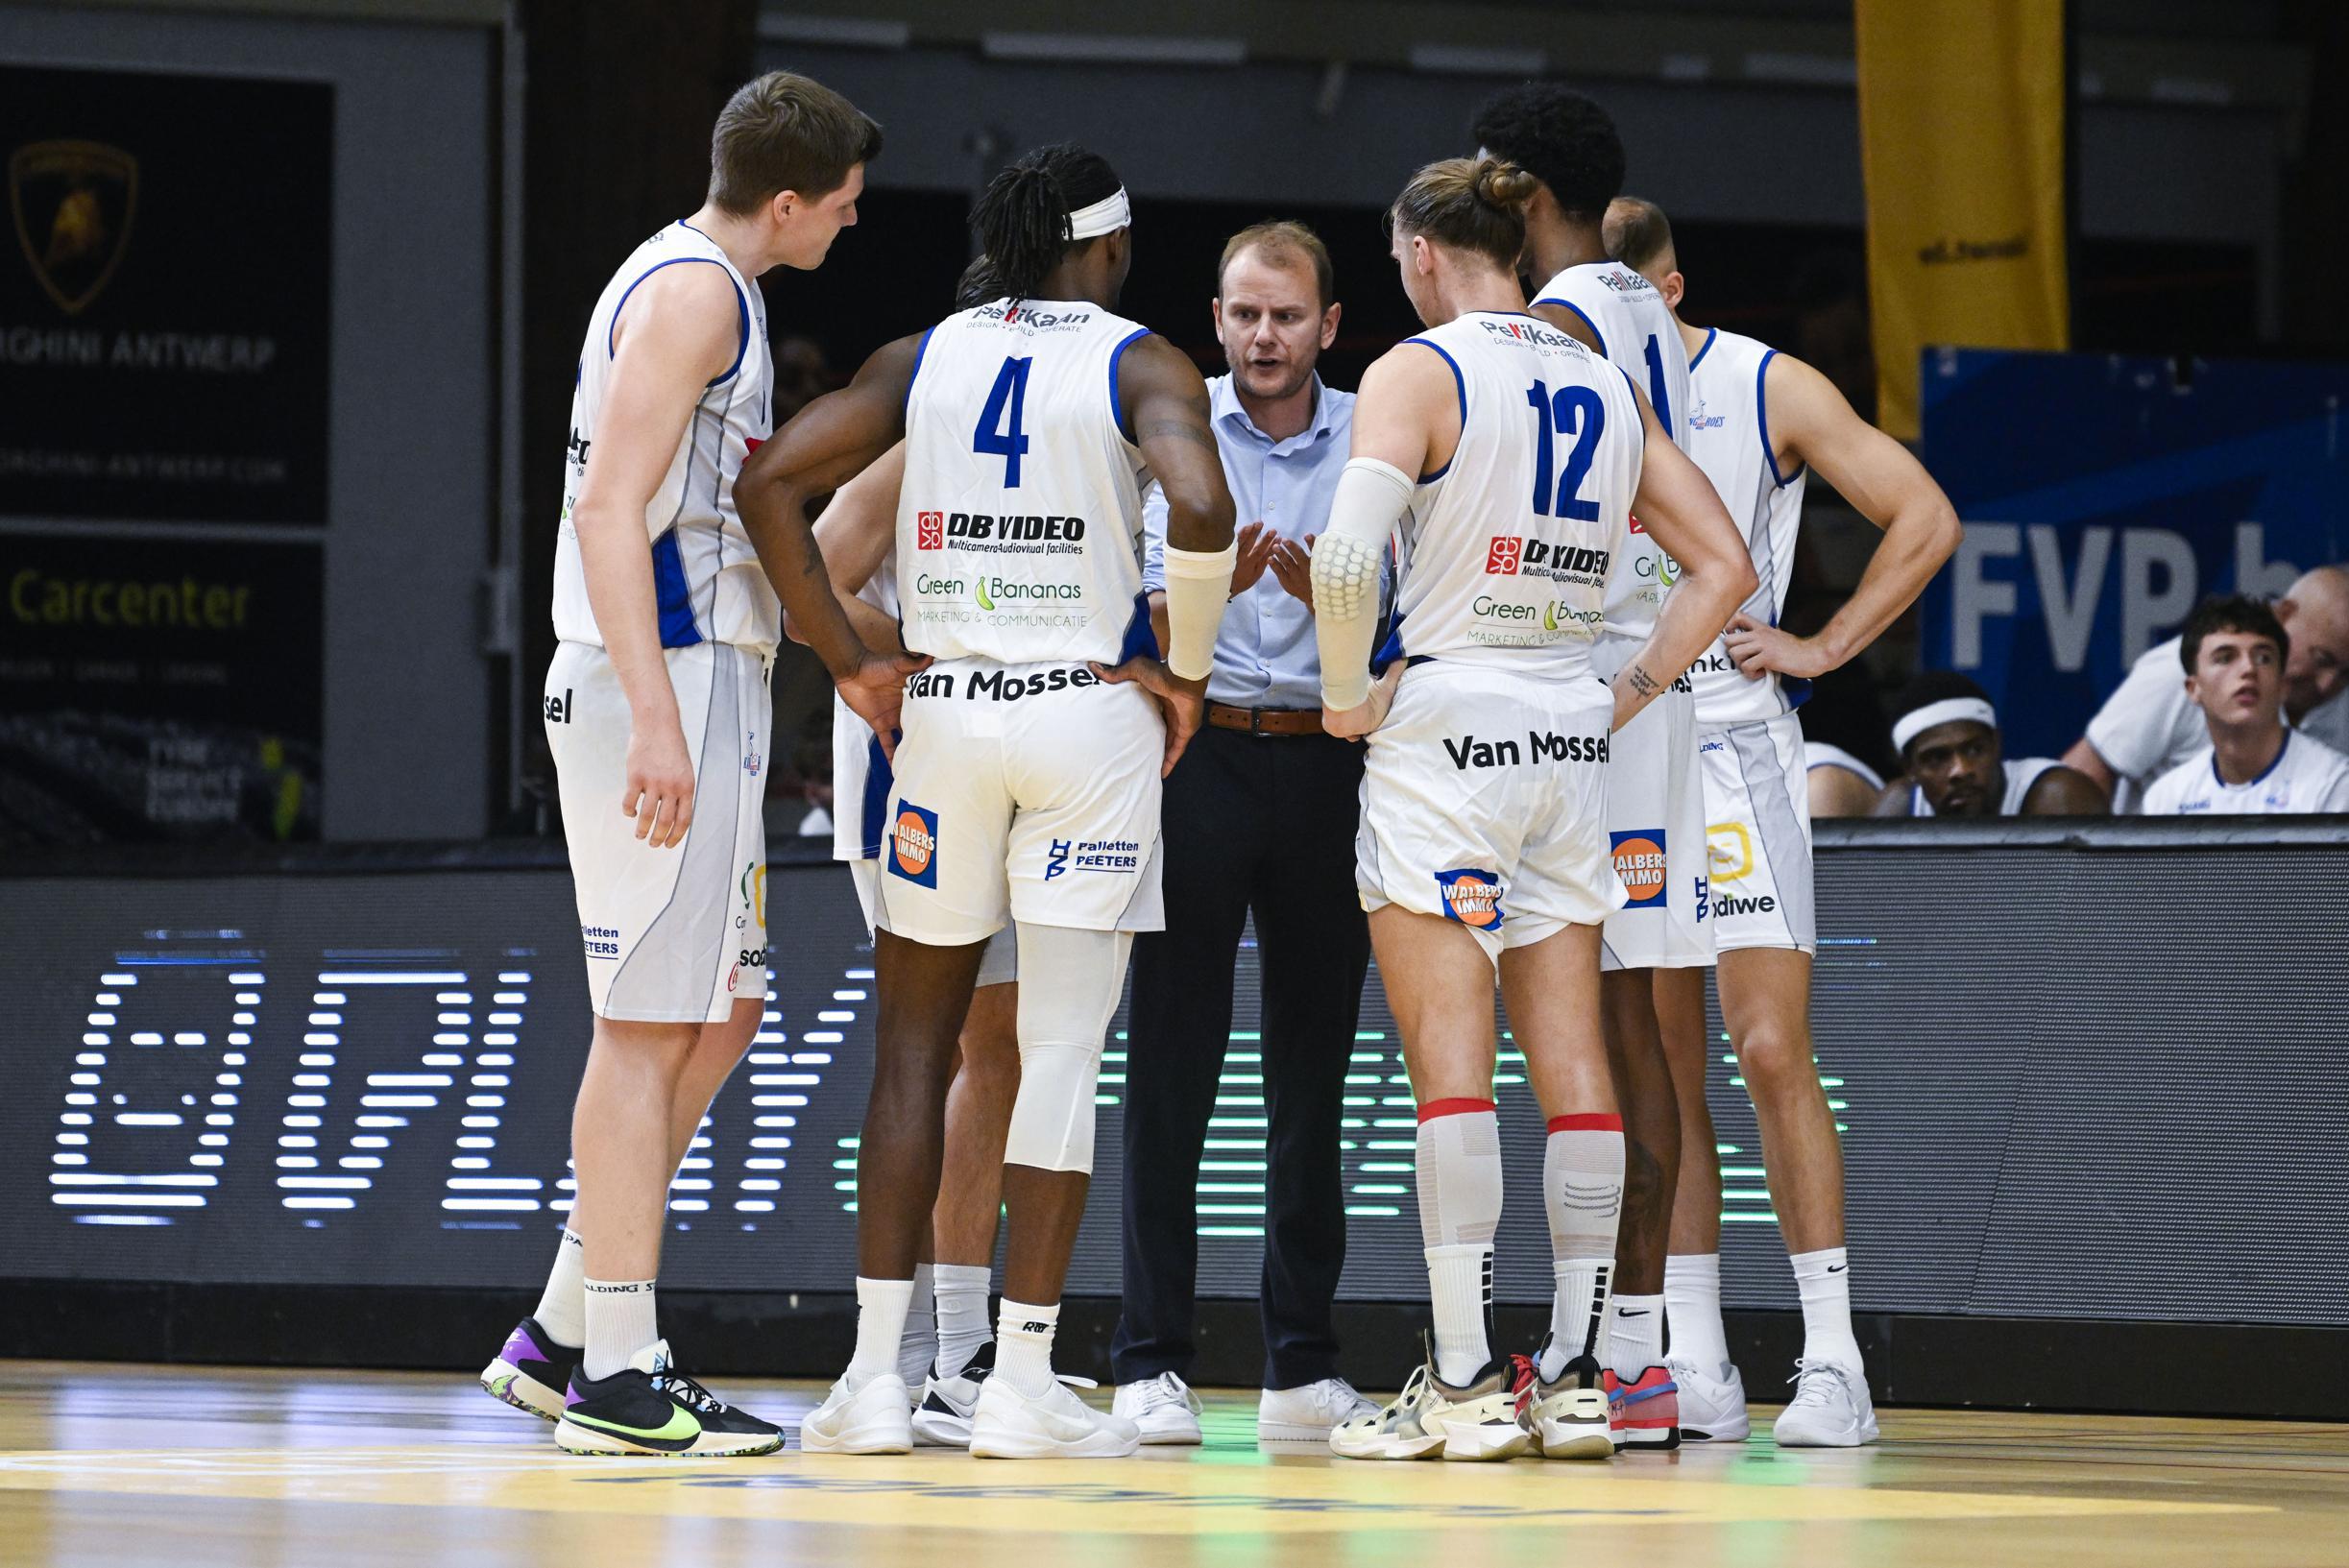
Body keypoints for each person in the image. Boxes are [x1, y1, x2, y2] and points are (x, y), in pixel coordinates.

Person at [737, 142, 1237, 1460]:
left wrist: (848, 660)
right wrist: (1180, 671)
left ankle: (869, 1381)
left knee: (913, 1050)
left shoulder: (924, 355)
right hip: (1084, 713)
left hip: (943, 716)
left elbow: (767, 483)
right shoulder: (1141, 360)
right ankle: (1016, 1378)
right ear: (1112, 248)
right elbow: (1200, 500)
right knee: (1058, 1054)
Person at [1315, 157, 1753, 1462]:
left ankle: (1459, 1383)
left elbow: (1345, 558)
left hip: (1448, 722)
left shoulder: (1420, 368)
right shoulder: (1601, 380)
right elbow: (1722, 565)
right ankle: (1571, 1376)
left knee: (1448, 1067)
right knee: (1576, 1067)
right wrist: (1626, 690)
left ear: (1423, 253)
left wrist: (1347, 697)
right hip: (1568, 731)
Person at [486, 70, 879, 1459]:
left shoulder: (691, 279)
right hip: (663, 680)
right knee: (648, 1025)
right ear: (784, 198)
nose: (848, 219)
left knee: (720, 1017)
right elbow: (604, 509)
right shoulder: (700, 291)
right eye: (839, 201)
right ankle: (620, 1376)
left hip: (702, 678)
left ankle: (558, 1334)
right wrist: (654, 715)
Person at [1607, 194, 1963, 1445]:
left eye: (1624, 293)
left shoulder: (1767, 385)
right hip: (1621, 745)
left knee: (1765, 1048)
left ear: (1669, 288)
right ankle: (1695, 1360)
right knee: (1658, 1064)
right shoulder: (1562, 385)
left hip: (1734, 741)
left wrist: (1819, 645)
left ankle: (1830, 1359)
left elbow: (1924, 516)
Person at [1109, 222, 1379, 1446]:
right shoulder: (1165, 424)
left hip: (1329, 760)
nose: (1261, 337)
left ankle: (1300, 1367)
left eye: (1285, 316)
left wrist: (1340, 594)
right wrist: (1178, 599)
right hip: (1195, 748)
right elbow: (1113, 588)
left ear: (1329, 324)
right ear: (1213, 321)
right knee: (1170, 1067)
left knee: (1311, 1073)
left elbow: (1418, 599)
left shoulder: (1384, 429)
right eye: (1241, 315)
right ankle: (1149, 1361)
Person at [1469, 84, 1701, 1450]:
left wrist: (1622, 682)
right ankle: (1637, 1354)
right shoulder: (1638, 305)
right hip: (1650, 683)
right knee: (1638, 1029)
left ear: (1518, 189)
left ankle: (1593, 1346)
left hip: (1593, 678)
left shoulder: (1558, 322)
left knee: (1587, 1030)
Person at [2064, 566, 2349, 810]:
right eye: (2322, 659)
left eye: (2346, 674)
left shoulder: (2334, 776)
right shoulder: (2167, 795)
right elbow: (2081, 774)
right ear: (2195, 688)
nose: (2327, 686)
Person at [2141, 596, 2349, 814]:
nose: (2248, 668)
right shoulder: (2166, 798)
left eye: (2263, 658)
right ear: (2193, 689)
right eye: (2225, 658)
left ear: (2282, 687)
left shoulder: (2334, 784)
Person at [1877, 672, 2105, 817]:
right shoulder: (1901, 807)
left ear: (1996, 744)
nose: (1961, 770)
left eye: (1975, 750)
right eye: (1937, 758)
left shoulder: (2057, 796)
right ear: (1909, 769)